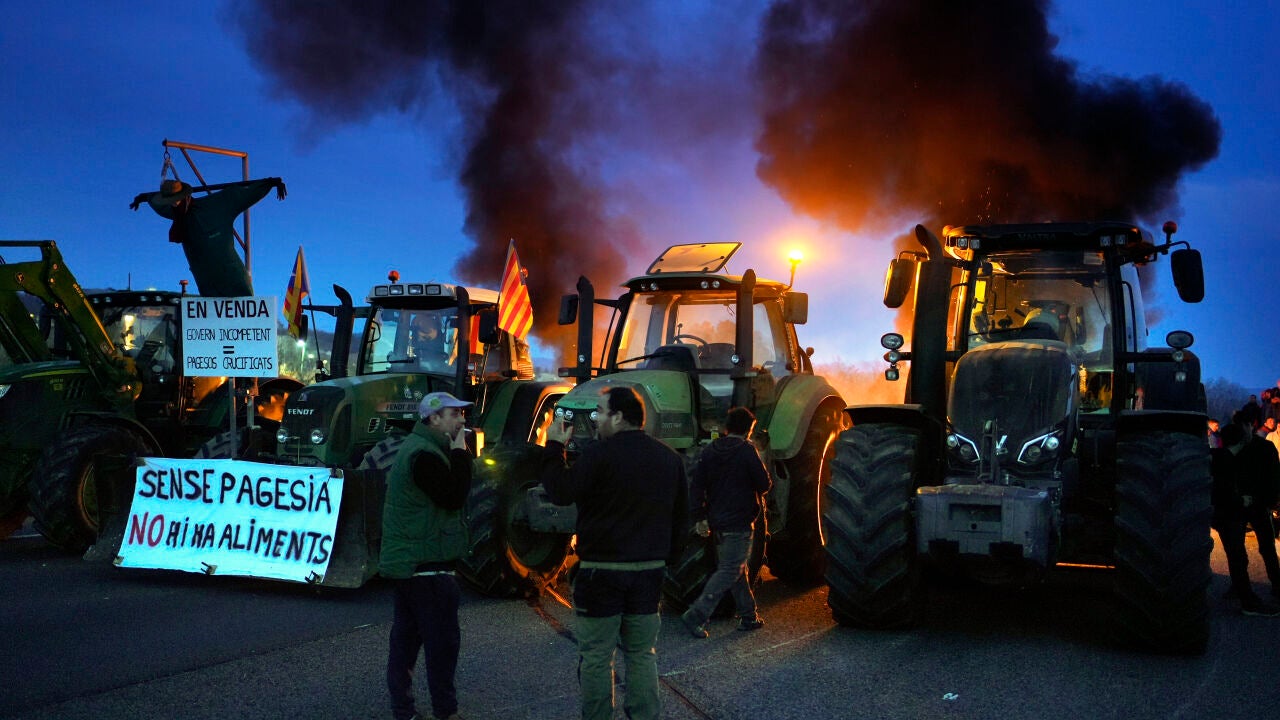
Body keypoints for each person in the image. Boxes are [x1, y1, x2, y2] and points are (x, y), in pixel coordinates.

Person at [539, 386, 688, 720]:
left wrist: (554, 447)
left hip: (601, 572)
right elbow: (682, 519)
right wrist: (665, 560)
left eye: (601, 412)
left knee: (596, 657)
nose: (596, 419)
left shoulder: (598, 455)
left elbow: (561, 491)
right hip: (648, 572)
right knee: (642, 654)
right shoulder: (669, 459)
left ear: (618, 417)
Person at [379, 391, 474, 720]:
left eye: (462, 413)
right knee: (442, 645)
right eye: (454, 414)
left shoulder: (419, 448)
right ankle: (445, 712)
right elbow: (454, 495)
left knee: (405, 642)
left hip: (412, 565)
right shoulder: (424, 456)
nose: (462, 420)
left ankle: (404, 711)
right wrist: (461, 452)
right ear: (433, 418)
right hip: (427, 568)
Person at [681, 407, 771, 638]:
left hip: (718, 522)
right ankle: (696, 615)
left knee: (737, 569)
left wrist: (699, 517)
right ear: (748, 429)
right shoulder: (746, 451)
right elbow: (764, 484)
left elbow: (697, 486)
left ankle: (749, 617)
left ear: (726, 427)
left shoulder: (710, 451)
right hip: (739, 522)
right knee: (731, 570)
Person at [131, 177, 287, 297]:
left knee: (244, 321)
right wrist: (143, 198)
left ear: (184, 196)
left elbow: (242, 195)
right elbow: (155, 202)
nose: (174, 204)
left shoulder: (217, 205)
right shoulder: (176, 215)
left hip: (233, 280)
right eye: (170, 201)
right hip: (207, 285)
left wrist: (270, 183)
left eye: (176, 200)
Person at [1212, 422, 1280, 616]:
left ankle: (1249, 588)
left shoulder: (1222, 455)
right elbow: (1274, 475)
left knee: (1241, 551)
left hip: (1246, 506)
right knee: (1248, 550)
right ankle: (1257, 591)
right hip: (1246, 505)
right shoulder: (1260, 448)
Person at [1233, 417, 1280, 595]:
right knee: (1237, 549)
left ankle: (1276, 583)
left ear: (1250, 425)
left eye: (1242, 426)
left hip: (1259, 503)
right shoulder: (1236, 447)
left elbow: (1275, 474)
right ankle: (1240, 585)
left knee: (1267, 547)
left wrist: (1272, 501)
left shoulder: (1265, 447)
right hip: (1240, 504)